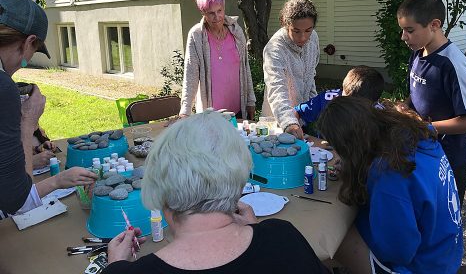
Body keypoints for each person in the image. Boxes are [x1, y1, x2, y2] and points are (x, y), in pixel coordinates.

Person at [104, 112, 329, 273]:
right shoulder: (282, 236)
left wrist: (115, 267)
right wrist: (256, 232)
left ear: (160, 190)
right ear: (239, 183)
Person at [320, 97, 463, 274]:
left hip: (420, 267)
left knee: (332, 240)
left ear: (352, 147)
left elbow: (398, 252)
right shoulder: (418, 137)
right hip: (445, 255)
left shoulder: (387, 174)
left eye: (339, 150)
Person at [0, 0, 97, 216]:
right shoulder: (3, 86)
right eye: (32, 54)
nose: (24, 64)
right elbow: (16, 199)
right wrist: (28, 120)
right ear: (29, 42)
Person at [397, 0, 466, 203]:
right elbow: (419, 92)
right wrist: (406, 104)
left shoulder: (454, 64)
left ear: (434, 25)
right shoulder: (418, 52)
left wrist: (429, 128)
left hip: (447, 159)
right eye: (402, 30)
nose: (403, 37)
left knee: (442, 219)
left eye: (409, 30)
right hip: (420, 150)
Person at [179, 0, 257, 120]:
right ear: (203, 13)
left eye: (219, 11)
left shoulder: (236, 31)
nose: (216, 17)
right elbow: (190, 75)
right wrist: (185, 111)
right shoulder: (196, 35)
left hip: (237, 110)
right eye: (211, 13)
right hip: (211, 114)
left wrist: (251, 100)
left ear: (224, 8)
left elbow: (245, 67)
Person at [262, 0, 319, 140]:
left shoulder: (314, 39)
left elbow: (310, 77)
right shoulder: (275, 49)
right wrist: (289, 122)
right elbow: (276, 89)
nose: (303, 38)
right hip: (279, 122)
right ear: (285, 24)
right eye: (296, 31)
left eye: (308, 30)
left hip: (304, 117)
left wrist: (316, 109)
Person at [295, 65, 386, 127]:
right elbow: (297, 111)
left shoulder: (380, 115)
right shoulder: (327, 99)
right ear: (343, 91)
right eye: (345, 101)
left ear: (374, 102)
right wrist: (293, 126)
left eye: (357, 107)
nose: (347, 108)